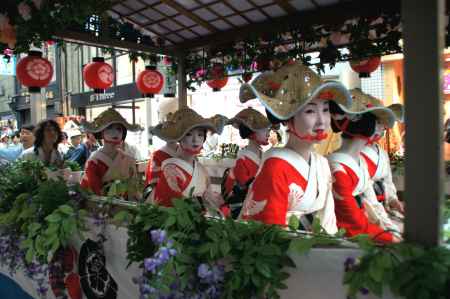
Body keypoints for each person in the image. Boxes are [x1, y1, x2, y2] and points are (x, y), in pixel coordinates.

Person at [239, 62, 352, 234]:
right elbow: (270, 232)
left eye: (325, 109)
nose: (322, 121)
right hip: (286, 253)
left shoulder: (321, 163)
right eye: (310, 111)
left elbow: (329, 222)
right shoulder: (275, 166)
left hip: (319, 249)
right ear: (287, 118)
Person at [327, 88, 402, 243]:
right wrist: (390, 238)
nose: (382, 126)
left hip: (368, 222)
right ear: (362, 122)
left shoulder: (358, 161)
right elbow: (352, 222)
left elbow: (373, 204)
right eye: (377, 120)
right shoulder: (336, 167)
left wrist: (391, 231)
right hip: (349, 235)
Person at [148, 107, 227, 212]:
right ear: (180, 137)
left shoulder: (201, 170)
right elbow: (169, 205)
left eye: (200, 135)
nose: (196, 140)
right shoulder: (171, 170)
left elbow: (209, 198)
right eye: (189, 134)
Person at [222, 107, 271, 218]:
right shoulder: (242, 160)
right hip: (245, 207)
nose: (268, 133)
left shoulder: (262, 155)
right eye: (264, 130)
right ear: (251, 132)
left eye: (268, 130)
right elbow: (246, 188)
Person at [80, 108, 141, 196]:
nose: (115, 132)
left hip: (127, 204)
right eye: (109, 128)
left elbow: (133, 187)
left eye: (119, 129)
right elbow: (95, 191)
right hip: (102, 204)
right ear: (101, 132)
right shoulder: (94, 161)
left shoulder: (127, 159)